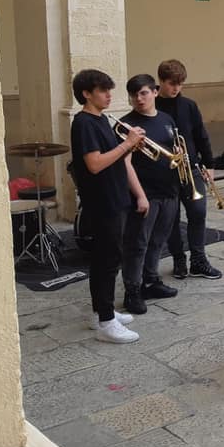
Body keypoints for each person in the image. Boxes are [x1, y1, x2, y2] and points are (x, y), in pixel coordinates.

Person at [70, 69, 145, 344]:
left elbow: (112, 157)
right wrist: (127, 144)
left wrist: (129, 147)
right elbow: (94, 163)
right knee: (107, 260)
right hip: (102, 202)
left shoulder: (101, 120)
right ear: (86, 94)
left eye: (109, 89)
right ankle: (106, 323)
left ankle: (101, 311)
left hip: (114, 197)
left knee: (107, 259)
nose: (109, 95)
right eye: (102, 90)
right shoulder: (83, 123)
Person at [156, 59, 223, 281]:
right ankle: (178, 258)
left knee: (198, 213)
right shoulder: (152, 106)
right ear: (161, 81)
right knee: (171, 218)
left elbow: (201, 135)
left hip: (191, 167)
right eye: (171, 83)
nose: (176, 88)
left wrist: (210, 164)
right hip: (166, 172)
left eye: (180, 83)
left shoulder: (189, 105)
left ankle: (198, 260)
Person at [119, 75, 179, 315]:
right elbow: (125, 164)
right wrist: (140, 195)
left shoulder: (166, 119)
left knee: (158, 241)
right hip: (144, 194)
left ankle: (151, 281)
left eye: (143, 93)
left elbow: (175, 150)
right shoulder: (126, 125)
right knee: (137, 244)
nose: (139, 98)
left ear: (155, 92)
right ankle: (132, 291)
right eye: (134, 94)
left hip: (169, 191)